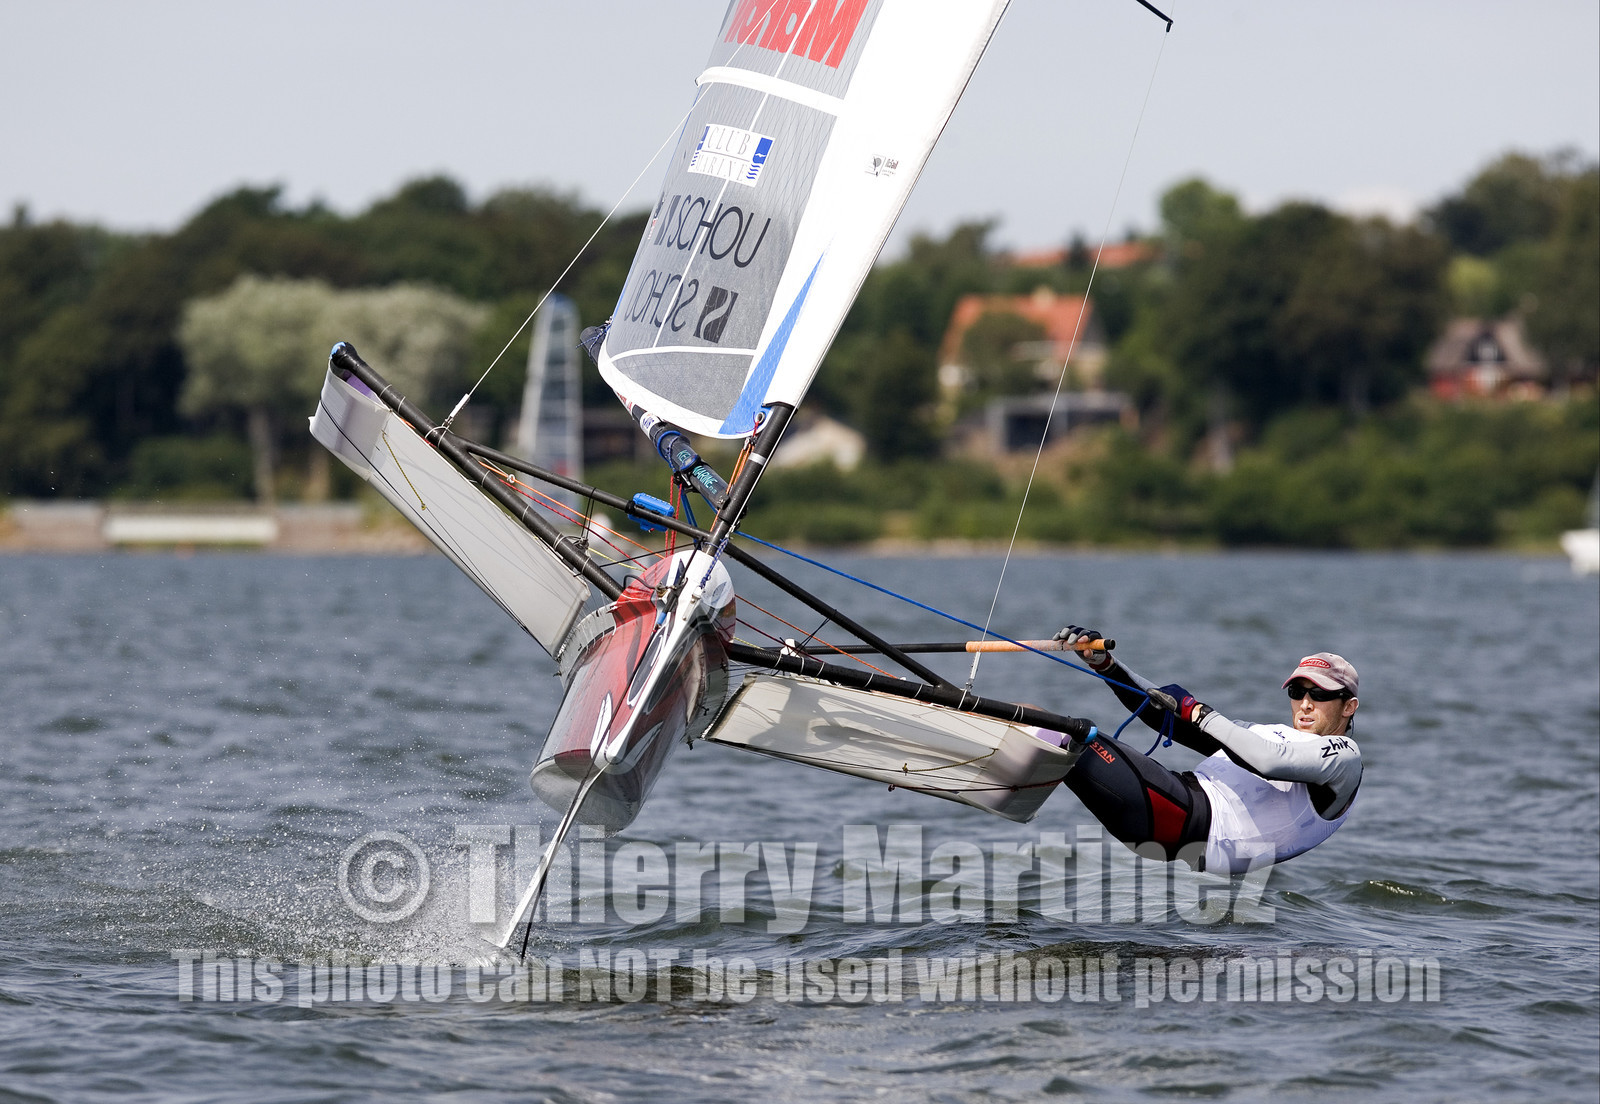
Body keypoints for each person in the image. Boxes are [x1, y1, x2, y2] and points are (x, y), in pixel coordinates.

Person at [1042, 627, 1363, 875]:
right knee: (1045, 730)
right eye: (1297, 691)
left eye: (1320, 694)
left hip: (1185, 818)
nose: (1305, 704)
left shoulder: (1345, 757)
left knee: (1064, 734)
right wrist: (1107, 666)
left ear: (1348, 707)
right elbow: (1163, 715)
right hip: (1174, 805)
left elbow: (1268, 762)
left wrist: (1198, 711)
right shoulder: (1265, 736)